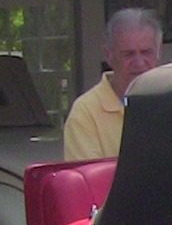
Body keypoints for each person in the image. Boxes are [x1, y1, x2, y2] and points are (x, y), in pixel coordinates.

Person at [64, 8, 162, 160]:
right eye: (129, 54)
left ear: (157, 53)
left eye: (146, 52)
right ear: (108, 55)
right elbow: (90, 180)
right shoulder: (85, 112)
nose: (139, 63)